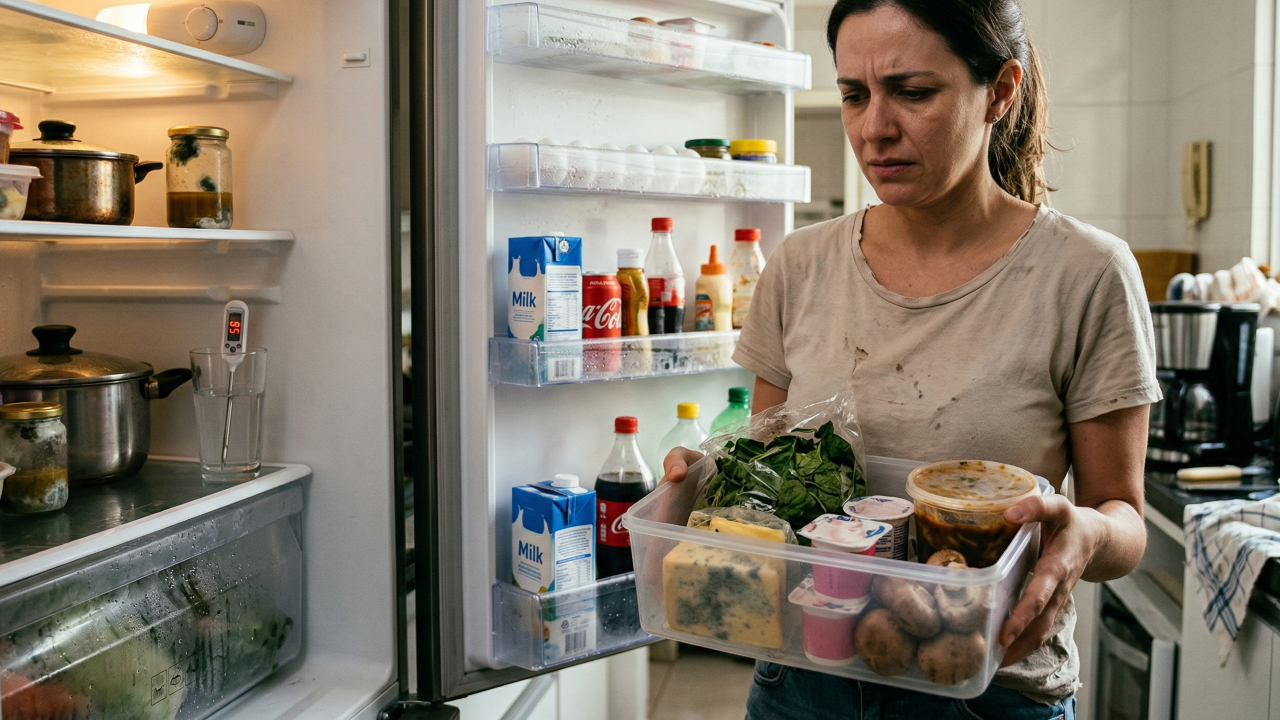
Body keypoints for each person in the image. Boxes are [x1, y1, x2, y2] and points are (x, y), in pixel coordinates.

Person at [662, 0, 1157, 717]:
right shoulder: (800, 265)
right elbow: (767, 470)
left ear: (1001, 91)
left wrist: (1088, 532)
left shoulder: (1086, 274)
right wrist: (709, 484)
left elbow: (1125, 520)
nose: (874, 128)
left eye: (913, 92)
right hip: (804, 680)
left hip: (986, 688)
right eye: (854, 95)